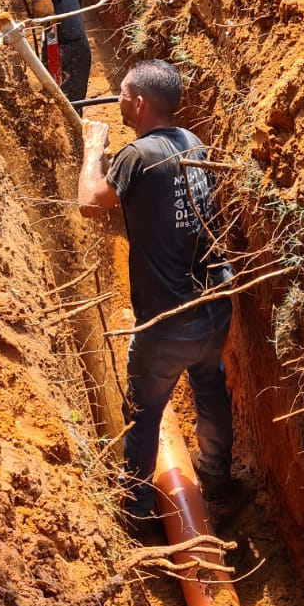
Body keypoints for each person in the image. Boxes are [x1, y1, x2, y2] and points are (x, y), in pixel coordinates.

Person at [78, 57, 234, 521]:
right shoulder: (193, 143)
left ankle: (137, 507)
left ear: (140, 102)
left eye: (122, 94)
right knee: (210, 389)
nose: (119, 101)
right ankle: (218, 480)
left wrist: (93, 149)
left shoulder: (136, 155)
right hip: (213, 307)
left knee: (144, 412)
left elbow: (90, 204)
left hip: (167, 323)